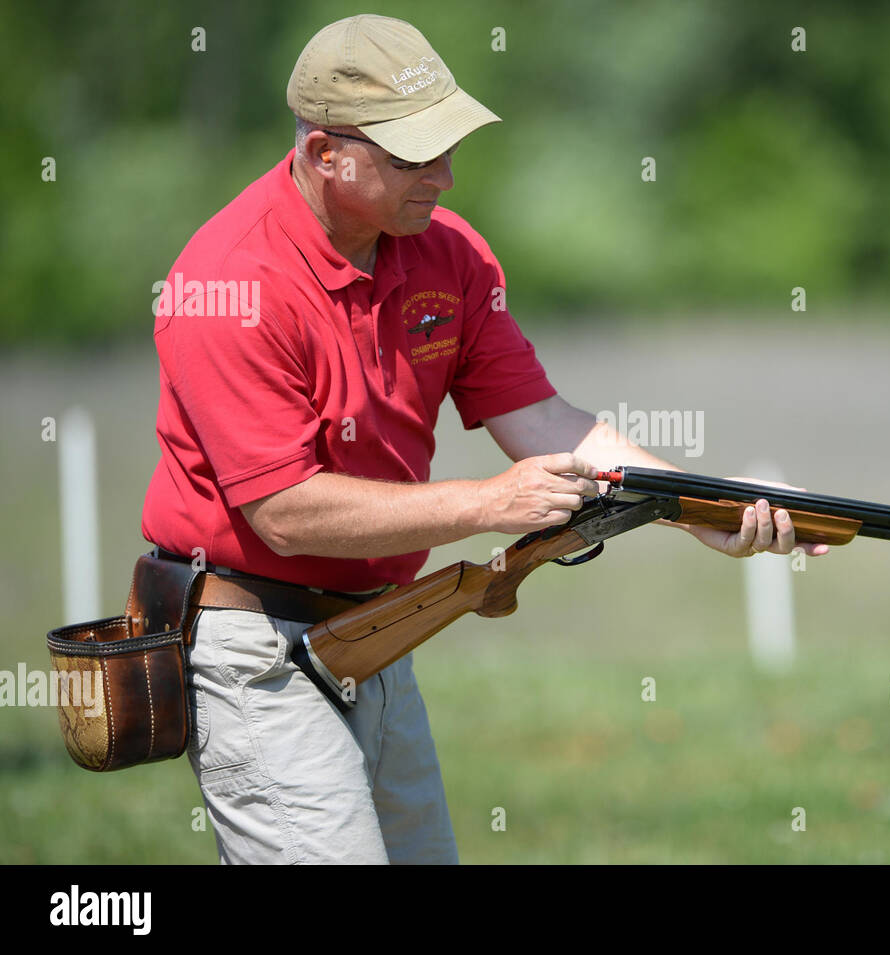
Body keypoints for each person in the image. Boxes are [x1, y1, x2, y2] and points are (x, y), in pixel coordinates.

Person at [141, 14, 827, 864]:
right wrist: (487, 505)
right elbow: (283, 511)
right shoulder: (228, 283)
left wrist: (701, 509)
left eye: (447, 147)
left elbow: (548, 423)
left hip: (382, 633)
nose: (446, 176)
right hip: (258, 653)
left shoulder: (449, 254)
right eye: (413, 157)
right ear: (325, 154)